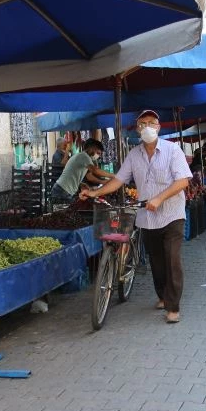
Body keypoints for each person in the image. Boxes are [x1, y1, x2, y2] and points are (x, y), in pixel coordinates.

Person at [81, 110, 192, 324]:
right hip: (147, 219)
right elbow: (118, 180)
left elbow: (183, 182)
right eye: (143, 123)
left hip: (172, 215)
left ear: (159, 127)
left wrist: (159, 199)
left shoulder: (172, 150)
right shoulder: (133, 155)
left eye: (152, 123)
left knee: (173, 260)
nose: (147, 127)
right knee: (157, 262)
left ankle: (173, 306)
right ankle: (162, 296)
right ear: (138, 129)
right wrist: (94, 192)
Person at [50, 138, 112, 203]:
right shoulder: (84, 156)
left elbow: (89, 176)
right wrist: (114, 176)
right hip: (62, 191)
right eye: (98, 153)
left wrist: (81, 183)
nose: (98, 156)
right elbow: (95, 170)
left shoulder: (82, 157)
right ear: (92, 149)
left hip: (61, 189)